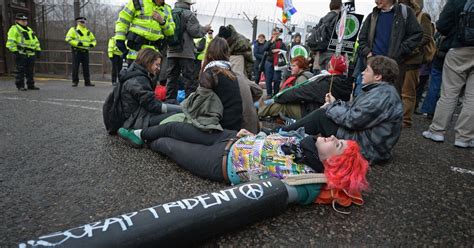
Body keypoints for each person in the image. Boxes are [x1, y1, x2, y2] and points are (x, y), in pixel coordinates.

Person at [115, 122, 369, 207]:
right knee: (175, 127)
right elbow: (273, 137)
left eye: (337, 145)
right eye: (339, 139)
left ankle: (148, 142)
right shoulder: (305, 139)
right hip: (227, 137)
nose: (334, 137)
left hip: (219, 163)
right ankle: (140, 133)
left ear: (332, 163)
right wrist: (256, 135)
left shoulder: (309, 182)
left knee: (167, 145)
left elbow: (274, 195)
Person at [278, 56, 403, 165]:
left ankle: (279, 135)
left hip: (367, 149)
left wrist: (329, 107)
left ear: (378, 76)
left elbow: (352, 120)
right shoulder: (381, 91)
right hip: (369, 142)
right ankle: (284, 134)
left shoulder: (381, 96)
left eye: (367, 70)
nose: (362, 73)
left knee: (322, 117)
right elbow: (354, 110)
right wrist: (334, 103)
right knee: (322, 116)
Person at [422, 0, 474, 148]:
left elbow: (442, 26)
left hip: (458, 49)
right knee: (472, 97)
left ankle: (437, 131)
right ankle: (464, 137)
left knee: (449, 93)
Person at [358, 0, 423, 94]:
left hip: (392, 69)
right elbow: (362, 38)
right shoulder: (372, 16)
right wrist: (368, 53)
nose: (376, 1)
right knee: (366, 99)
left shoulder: (405, 13)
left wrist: (399, 51)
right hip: (372, 67)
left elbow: (417, 34)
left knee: (388, 101)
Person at [258, 55, 352, 120]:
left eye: (294, 66)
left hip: (311, 112)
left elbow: (300, 92)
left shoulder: (326, 82)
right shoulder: (341, 82)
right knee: (270, 103)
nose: (291, 68)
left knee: (280, 105)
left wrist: (280, 97)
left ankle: (255, 113)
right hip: (318, 110)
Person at [117, 48, 182, 138]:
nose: (158, 68)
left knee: (172, 102)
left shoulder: (135, 72)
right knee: (176, 115)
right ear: (148, 62)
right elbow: (152, 105)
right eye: (157, 65)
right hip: (135, 120)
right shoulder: (139, 79)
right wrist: (181, 109)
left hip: (138, 113)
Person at [398, 0, 435, 128]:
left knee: (408, 92)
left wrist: (410, 48)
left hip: (412, 59)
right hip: (400, 58)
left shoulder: (422, 16)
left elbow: (426, 37)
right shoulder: (400, 14)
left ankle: (406, 120)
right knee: (398, 89)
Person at [166, 0, 212, 103]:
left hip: (171, 51)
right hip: (185, 52)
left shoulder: (169, 12)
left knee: (172, 78)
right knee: (189, 79)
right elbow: (195, 31)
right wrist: (205, 29)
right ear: (188, 4)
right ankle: (189, 103)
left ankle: (170, 101)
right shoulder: (189, 14)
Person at [6, 13, 41, 91]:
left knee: (30, 70)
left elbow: (35, 41)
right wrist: (15, 51)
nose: (25, 22)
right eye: (23, 20)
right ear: (17, 21)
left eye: (26, 20)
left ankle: (31, 85)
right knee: (20, 70)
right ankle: (20, 85)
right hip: (21, 52)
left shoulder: (29, 30)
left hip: (31, 53)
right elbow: (11, 42)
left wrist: (38, 50)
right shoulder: (14, 29)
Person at [308, 0, 341, 74]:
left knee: (318, 81)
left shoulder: (323, 19)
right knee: (327, 81)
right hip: (331, 56)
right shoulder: (338, 19)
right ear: (340, 6)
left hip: (319, 56)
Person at [65, 17, 96, 87]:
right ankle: (75, 81)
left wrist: (92, 45)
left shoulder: (88, 31)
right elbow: (68, 39)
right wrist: (77, 43)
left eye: (84, 22)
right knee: (75, 67)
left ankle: (87, 82)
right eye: (81, 22)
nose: (83, 23)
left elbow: (94, 40)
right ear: (77, 22)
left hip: (85, 51)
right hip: (77, 51)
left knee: (86, 67)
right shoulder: (73, 30)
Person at [263, 27, 287, 98]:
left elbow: (285, 51)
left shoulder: (281, 43)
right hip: (269, 62)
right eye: (274, 33)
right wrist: (271, 43)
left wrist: (278, 50)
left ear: (279, 34)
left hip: (278, 63)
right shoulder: (269, 41)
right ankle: (269, 93)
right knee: (268, 79)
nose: (275, 35)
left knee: (277, 79)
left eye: (276, 33)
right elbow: (265, 49)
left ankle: (276, 94)